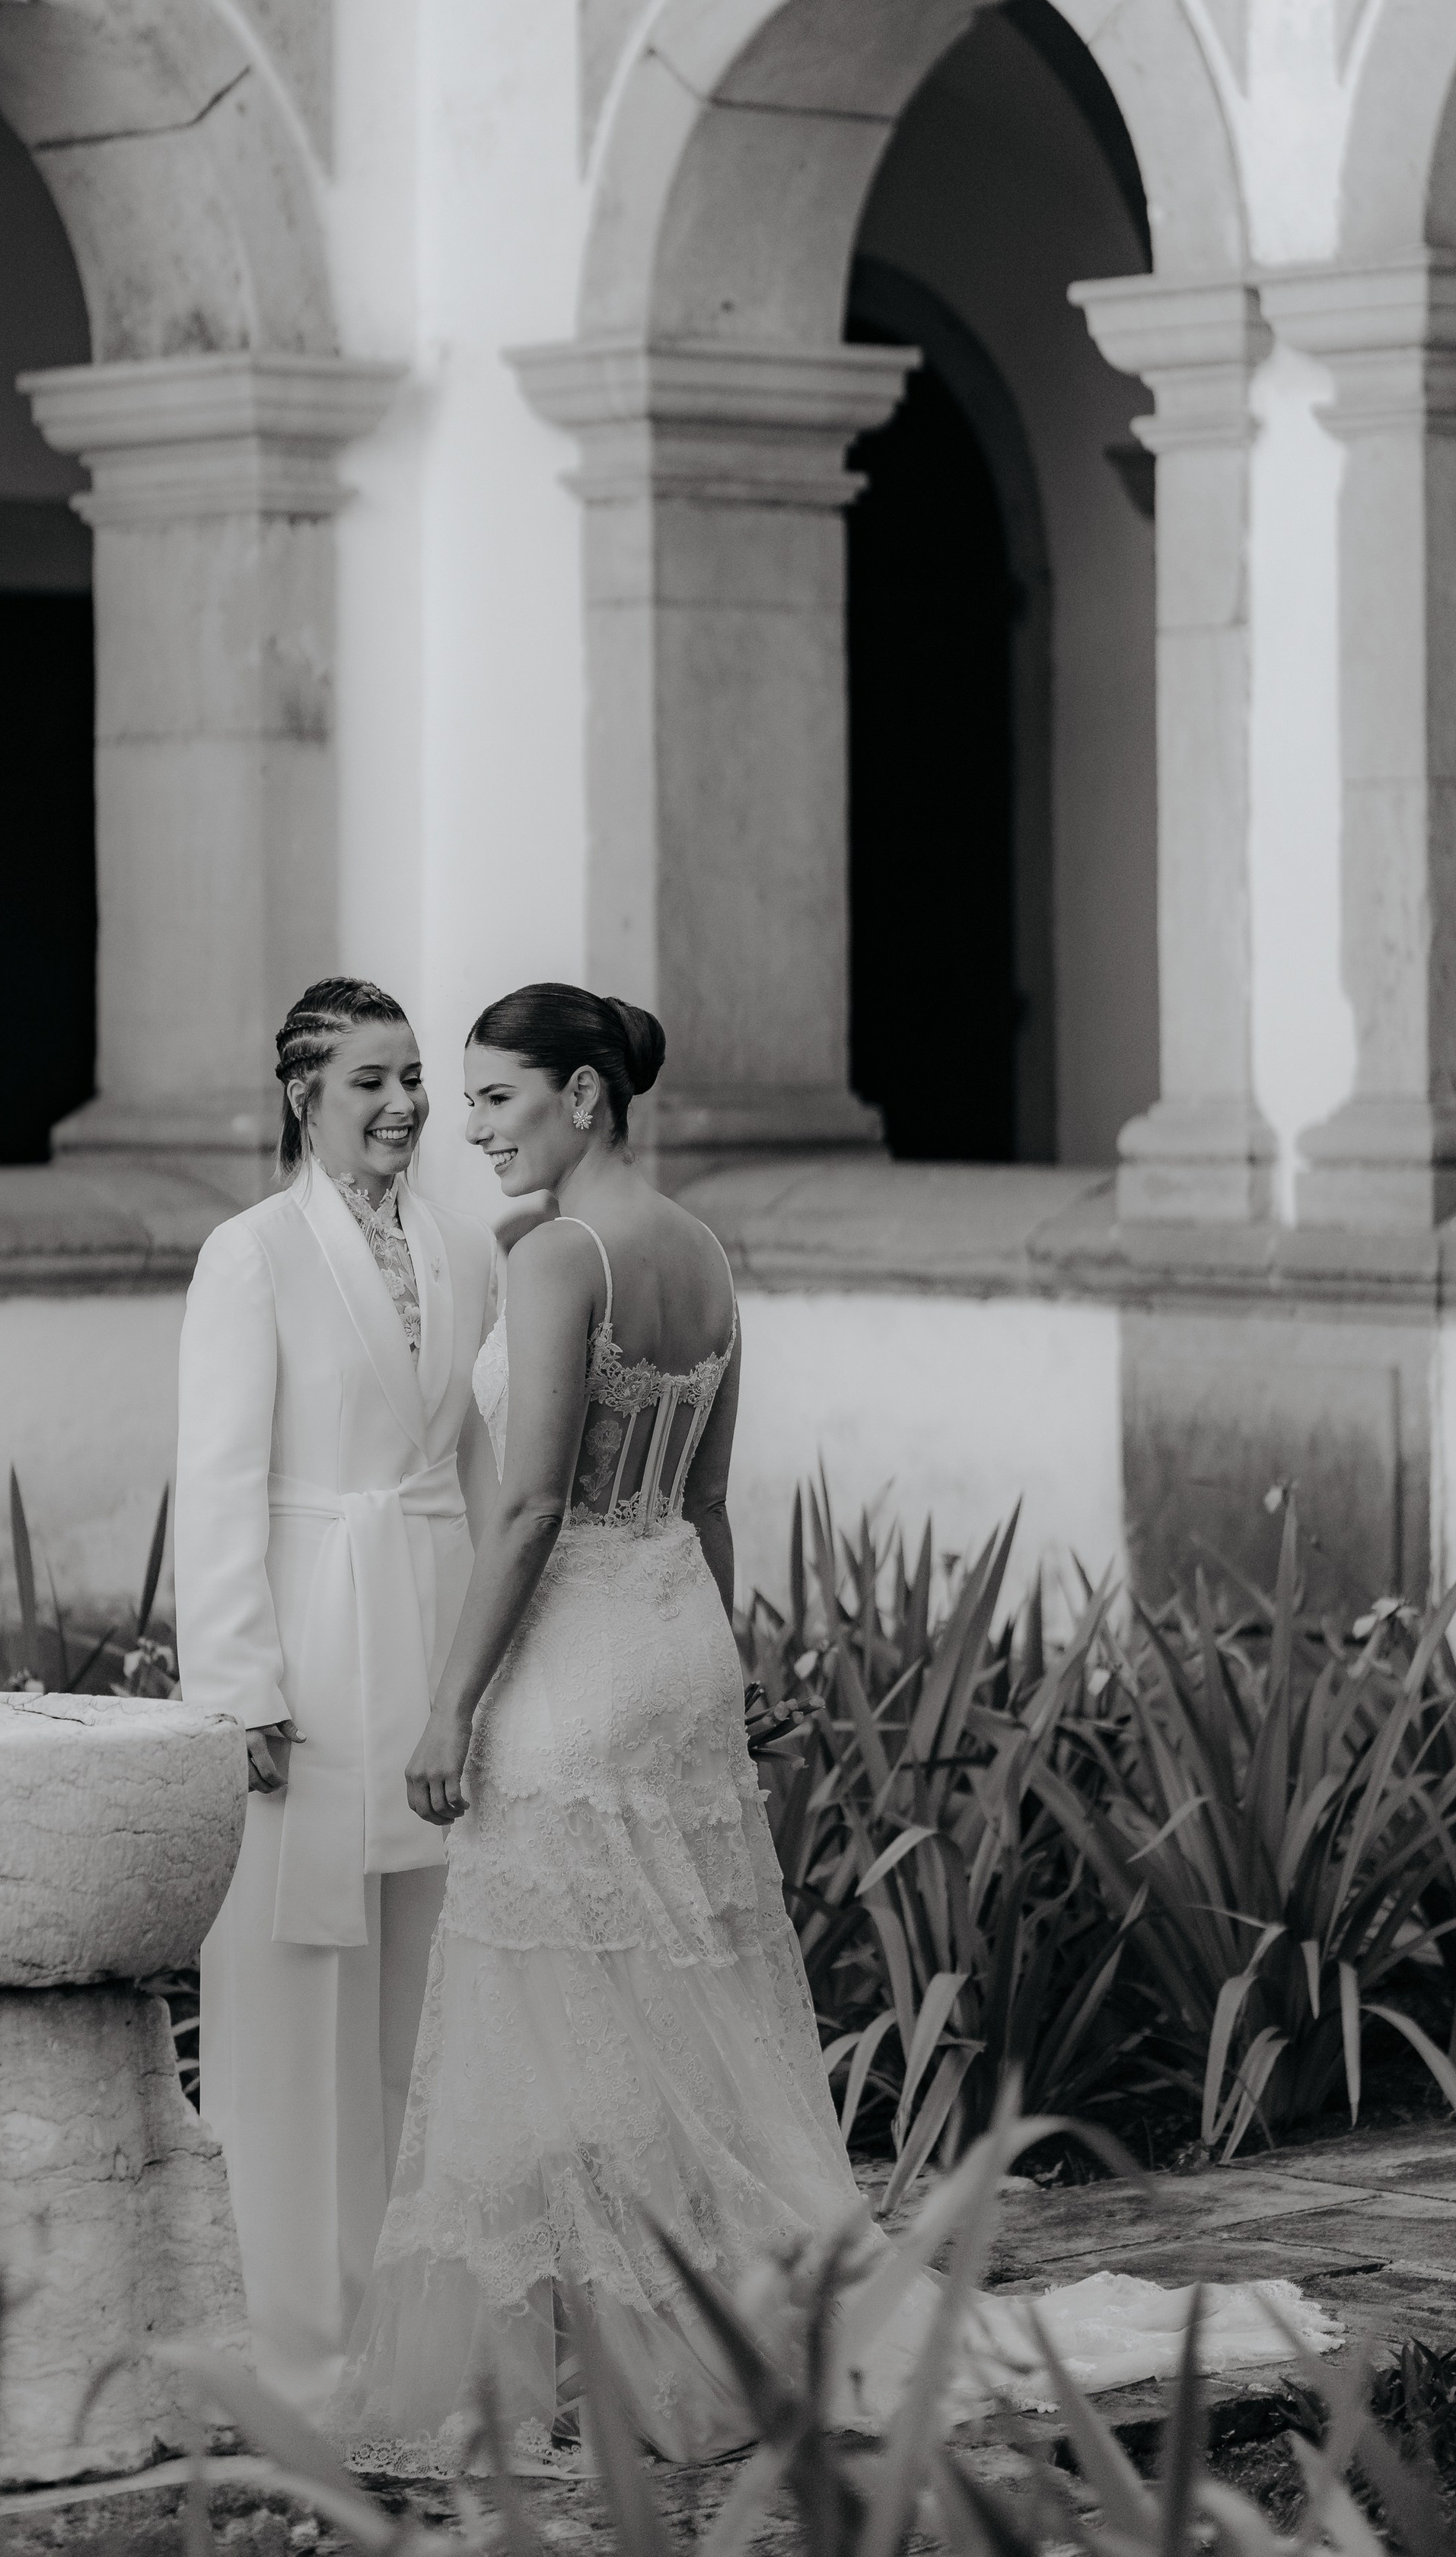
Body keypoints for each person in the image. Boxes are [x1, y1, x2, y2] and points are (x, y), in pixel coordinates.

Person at [328, 984, 1337, 2470]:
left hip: (575, 1667)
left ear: (583, 1097)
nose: (467, 1128)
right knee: (668, 2003)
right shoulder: (699, 1253)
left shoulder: (554, 1259)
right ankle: (676, 2328)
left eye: (493, 1097)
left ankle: (620, 2356)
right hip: (672, 1641)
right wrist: (722, 1671)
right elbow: (706, 1502)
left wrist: (449, 1704)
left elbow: (534, 1506)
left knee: (553, 2012)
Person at [175, 977, 497, 2414]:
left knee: (422, 2006)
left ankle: (411, 2332)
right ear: (304, 1096)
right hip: (307, 1645)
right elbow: (218, 1482)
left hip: (430, 1641)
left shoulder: (465, 1248)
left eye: (415, 1076)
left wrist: (493, 1661)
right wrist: (240, 1689)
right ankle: (297, 2349)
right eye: (372, 1079)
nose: (406, 1104)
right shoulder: (250, 1255)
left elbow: (478, 1462)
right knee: (296, 1999)